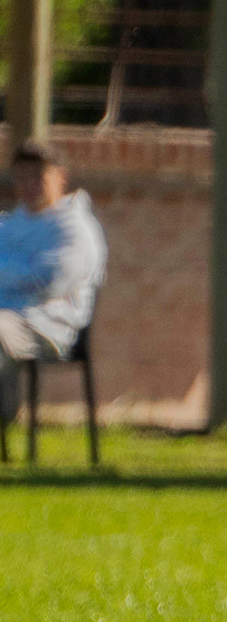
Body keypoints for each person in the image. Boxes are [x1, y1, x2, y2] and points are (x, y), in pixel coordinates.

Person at [0, 141, 107, 423]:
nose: (28, 185)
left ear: (60, 177)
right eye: (21, 177)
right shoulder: (9, 226)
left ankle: (4, 418)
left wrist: (7, 272)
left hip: (48, 328)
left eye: (38, 176)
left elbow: (48, 281)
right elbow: (29, 274)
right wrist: (21, 270)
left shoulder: (75, 229)